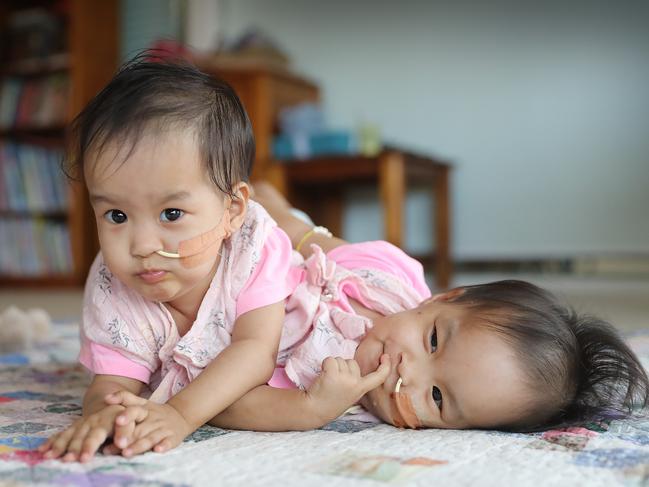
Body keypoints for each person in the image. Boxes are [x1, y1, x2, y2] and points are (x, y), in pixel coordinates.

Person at [42, 57, 649, 462]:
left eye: (438, 400)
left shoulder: (313, 376)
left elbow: (232, 395)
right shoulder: (387, 286)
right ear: (439, 299)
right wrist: (103, 407)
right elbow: (324, 254)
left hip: (239, 318)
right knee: (296, 231)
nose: (410, 373)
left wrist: (309, 408)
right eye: (433, 340)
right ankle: (275, 204)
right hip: (304, 267)